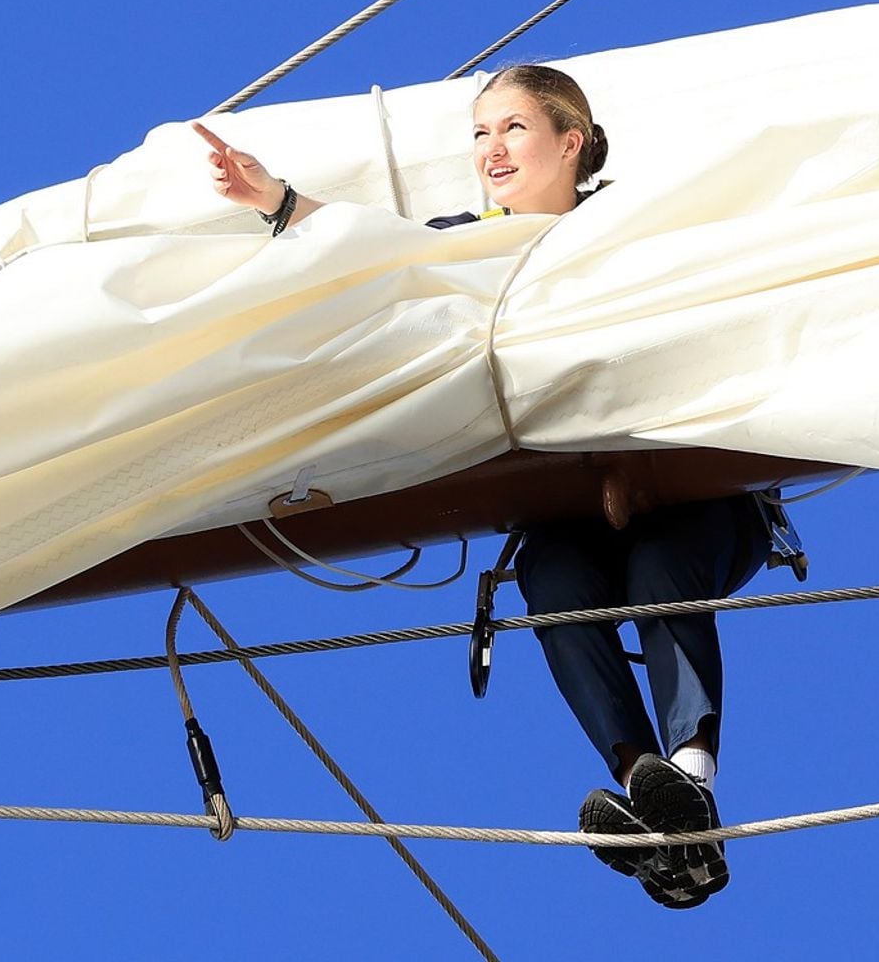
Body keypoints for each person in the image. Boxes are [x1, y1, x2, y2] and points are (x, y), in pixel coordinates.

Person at [194, 65, 770, 908]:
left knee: (657, 572)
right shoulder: (466, 243)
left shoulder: (634, 222)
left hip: (695, 501)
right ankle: (642, 791)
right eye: (478, 133)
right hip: (568, 509)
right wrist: (276, 201)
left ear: (570, 142)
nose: (490, 150)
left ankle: (689, 772)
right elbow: (375, 252)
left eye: (512, 129)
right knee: (552, 579)